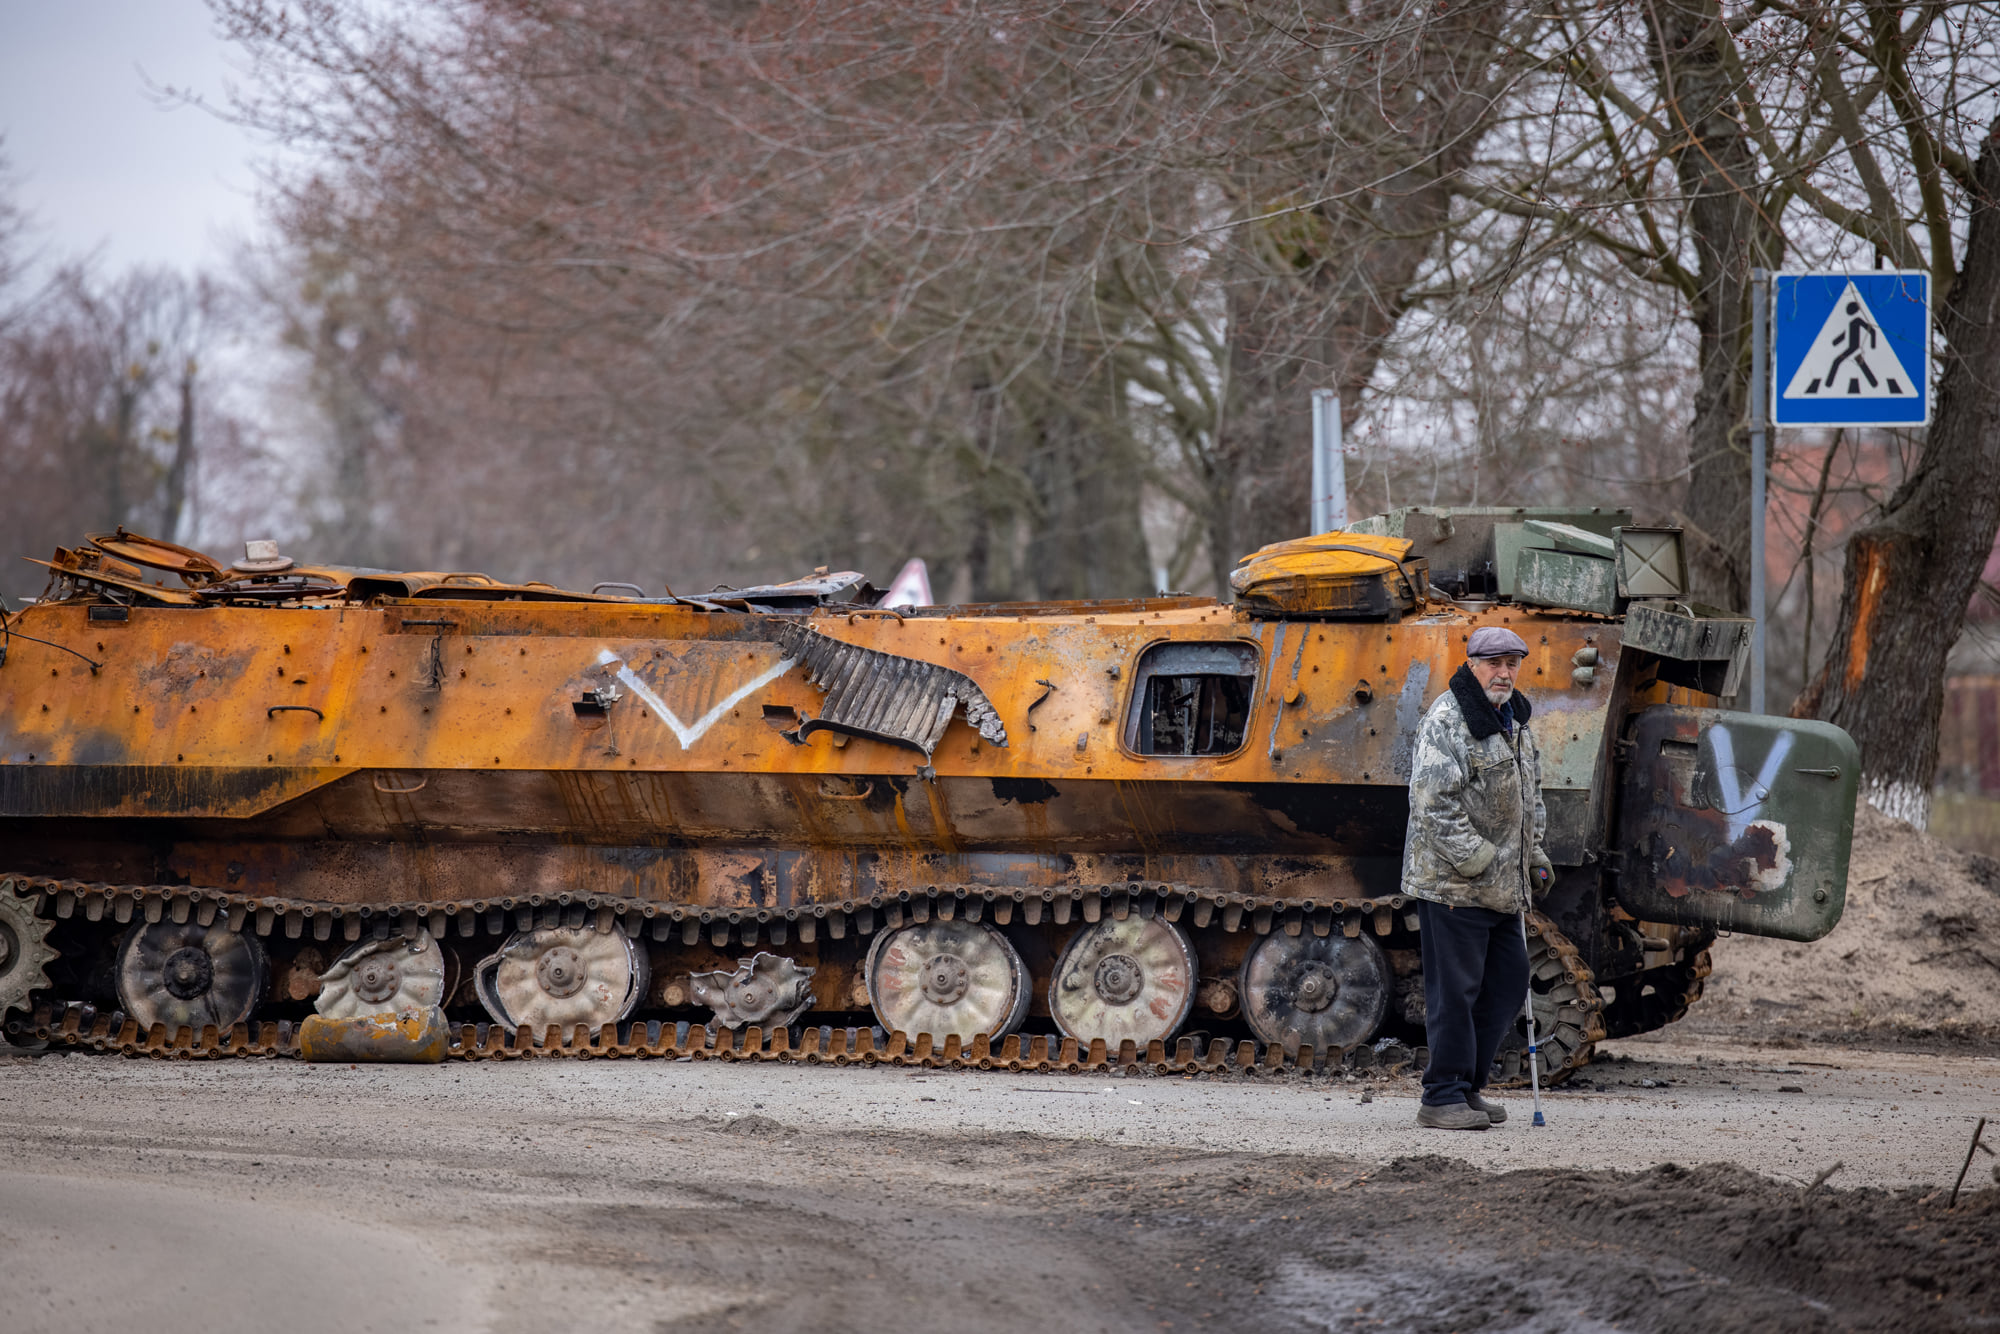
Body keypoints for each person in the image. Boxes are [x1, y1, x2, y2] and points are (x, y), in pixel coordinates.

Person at [1400, 625, 1552, 1130]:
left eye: (1512, 662)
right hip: (1454, 885)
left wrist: (1534, 855)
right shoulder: (1448, 720)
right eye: (1494, 662)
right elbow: (1431, 804)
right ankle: (1440, 1095)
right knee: (1455, 993)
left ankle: (1466, 1088)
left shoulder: (1514, 720)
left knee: (1507, 983)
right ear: (1472, 664)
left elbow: (1530, 798)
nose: (1504, 672)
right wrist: (1481, 859)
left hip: (1502, 887)